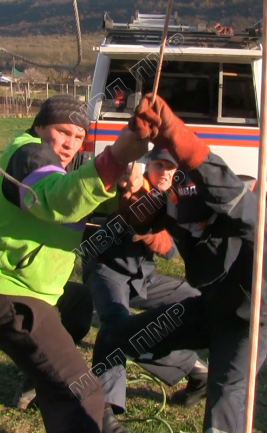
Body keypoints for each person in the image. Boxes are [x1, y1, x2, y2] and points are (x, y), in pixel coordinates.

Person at [90, 94, 267, 433]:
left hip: (248, 322)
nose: (191, 227)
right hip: (207, 310)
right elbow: (147, 220)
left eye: (201, 221)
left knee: (224, 409)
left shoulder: (245, 208)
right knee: (115, 337)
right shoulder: (176, 203)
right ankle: (102, 421)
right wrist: (132, 204)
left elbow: (228, 191)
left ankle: (208, 384)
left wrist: (176, 133)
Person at [0, 94, 150, 433]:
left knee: (77, 305)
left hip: (32, 289)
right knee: (84, 393)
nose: (70, 144)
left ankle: (40, 377)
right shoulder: (28, 155)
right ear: (39, 127)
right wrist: (115, 159)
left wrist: (124, 188)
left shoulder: (53, 167)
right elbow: (56, 199)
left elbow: (78, 197)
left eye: (79, 137)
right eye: (63, 132)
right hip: (4, 294)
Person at [83, 148, 209, 433]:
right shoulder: (134, 182)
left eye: (170, 167)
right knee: (116, 327)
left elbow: (170, 250)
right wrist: (128, 185)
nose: (164, 172)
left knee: (196, 299)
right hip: (106, 267)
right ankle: (105, 412)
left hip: (142, 277)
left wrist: (153, 232)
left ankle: (201, 373)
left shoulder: (175, 199)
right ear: (147, 165)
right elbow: (124, 188)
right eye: (158, 165)